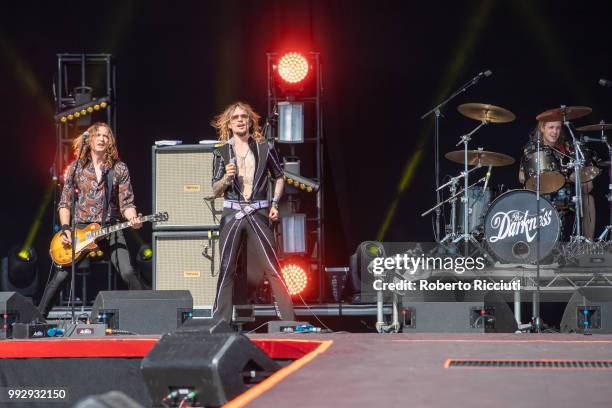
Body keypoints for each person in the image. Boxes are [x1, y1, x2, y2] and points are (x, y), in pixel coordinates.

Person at [38, 122, 145, 316]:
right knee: (61, 275)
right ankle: (38, 317)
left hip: (109, 228)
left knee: (128, 272)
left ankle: (145, 314)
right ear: (90, 139)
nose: (102, 139)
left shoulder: (119, 168)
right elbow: (65, 203)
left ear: (110, 141)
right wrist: (65, 229)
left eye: (106, 136)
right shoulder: (76, 167)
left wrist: (133, 219)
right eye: (98, 135)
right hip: (81, 229)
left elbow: (126, 203)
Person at [210, 101, 295, 323]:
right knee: (226, 267)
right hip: (233, 213)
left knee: (272, 266)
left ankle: (289, 321)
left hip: (257, 212)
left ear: (250, 121)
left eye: (244, 117)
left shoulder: (264, 148)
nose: (240, 120)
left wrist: (274, 203)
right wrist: (226, 179)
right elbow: (215, 188)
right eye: (235, 117)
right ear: (229, 123)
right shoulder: (221, 151)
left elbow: (279, 176)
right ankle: (220, 322)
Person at [519, 120, 595, 240]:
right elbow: (521, 176)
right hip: (541, 195)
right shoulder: (532, 147)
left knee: (588, 199)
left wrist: (579, 176)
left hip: (563, 195)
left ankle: (588, 245)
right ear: (542, 128)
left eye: (558, 128)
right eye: (551, 127)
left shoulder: (566, 147)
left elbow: (582, 182)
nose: (555, 131)